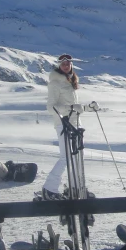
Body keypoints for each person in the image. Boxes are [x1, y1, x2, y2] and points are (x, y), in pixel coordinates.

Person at [41, 53, 82, 200]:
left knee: (74, 157)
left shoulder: (70, 82)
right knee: (66, 158)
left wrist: (88, 107)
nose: (66, 65)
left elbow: (73, 106)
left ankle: (75, 187)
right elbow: (51, 107)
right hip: (63, 124)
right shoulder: (55, 83)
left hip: (74, 124)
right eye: (63, 63)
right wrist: (71, 108)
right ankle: (49, 188)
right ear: (59, 65)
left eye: (68, 63)